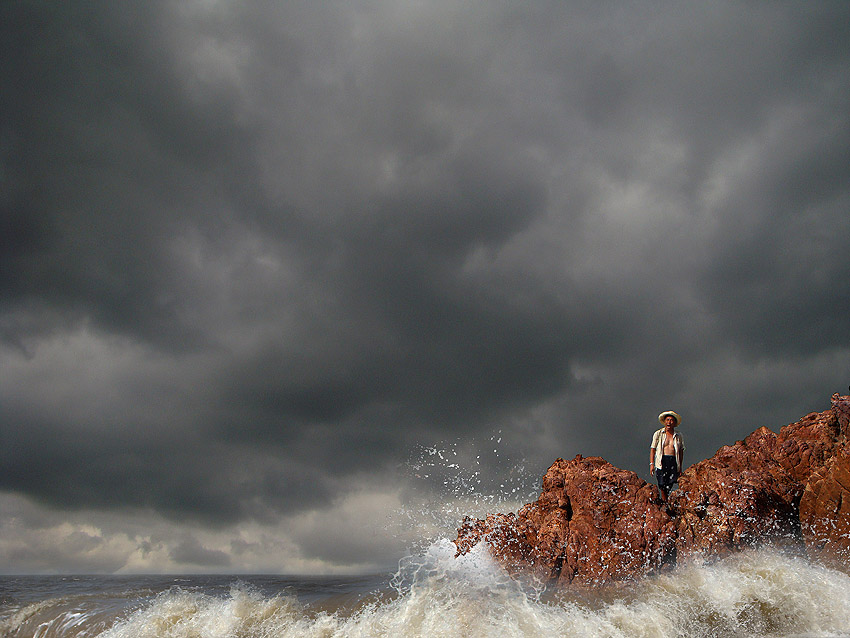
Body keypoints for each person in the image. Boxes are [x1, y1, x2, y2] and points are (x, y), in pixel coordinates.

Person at [649, 410, 684, 503]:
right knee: (661, 482)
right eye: (667, 420)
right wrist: (652, 464)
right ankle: (665, 500)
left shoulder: (678, 435)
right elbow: (653, 449)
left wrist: (680, 467)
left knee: (671, 481)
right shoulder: (658, 434)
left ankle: (667, 500)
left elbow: (681, 451)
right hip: (661, 460)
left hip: (673, 460)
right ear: (664, 422)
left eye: (671, 420)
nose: (669, 422)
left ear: (675, 423)